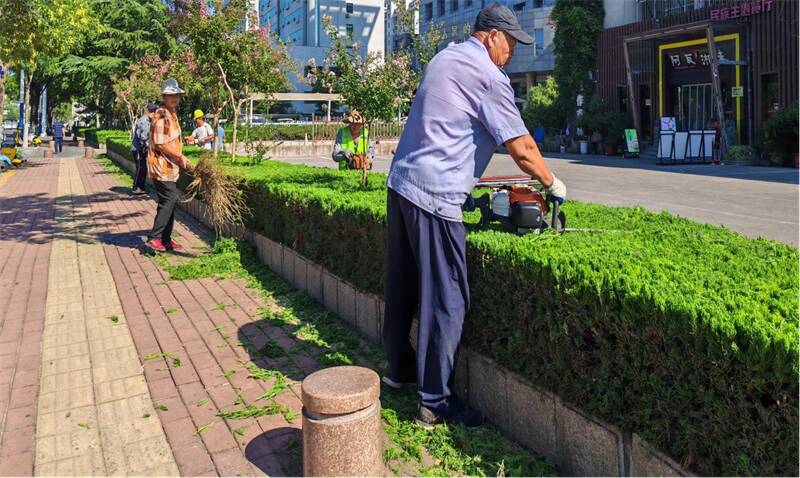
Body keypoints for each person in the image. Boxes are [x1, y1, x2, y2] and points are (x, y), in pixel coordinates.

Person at [383, 4, 567, 429]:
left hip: (401, 185)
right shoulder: (488, 75)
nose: (513, 55)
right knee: (448, 300)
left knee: (404, 284)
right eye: (510, 44)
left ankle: (399, 370)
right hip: (434, 197)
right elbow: (522, 149)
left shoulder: (444, 57)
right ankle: (434, 401)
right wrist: (552, 183)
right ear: (490, 36)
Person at [146, 79, 194, 252]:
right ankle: (155, 237)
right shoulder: (162, 115)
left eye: (177, 95)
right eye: (170, 95)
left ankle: (165, 239)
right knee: (170, 198)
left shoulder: (172, 114)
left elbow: (171, 141)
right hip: (161, 166)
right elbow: (161, 143)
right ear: (164, 96)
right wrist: (180, 157)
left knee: (169, 201)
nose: (174, 98)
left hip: (169, 166)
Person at [131, 103, 158, 195]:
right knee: (140, 168)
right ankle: (136, 187)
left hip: (143, 149)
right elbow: (142, 137)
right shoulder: (143, 121)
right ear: (150, 112)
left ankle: (141, 187)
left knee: (144, 168)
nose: (155, 115)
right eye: (154, 113)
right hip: (138, 149)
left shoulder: (149, 121)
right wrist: (149, 146)